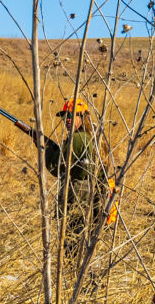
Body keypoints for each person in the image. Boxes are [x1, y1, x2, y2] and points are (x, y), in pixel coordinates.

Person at [18, 98, 113, 262]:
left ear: (82, 117)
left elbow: (57, 166)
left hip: (78, 201)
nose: (67, 119)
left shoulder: (78, 138)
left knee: (72, 249)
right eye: (64, 116)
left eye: (72, 115)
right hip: (91, 201)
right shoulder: (93, 136)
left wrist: (46, 148)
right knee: (82, 249)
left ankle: (74, 281)